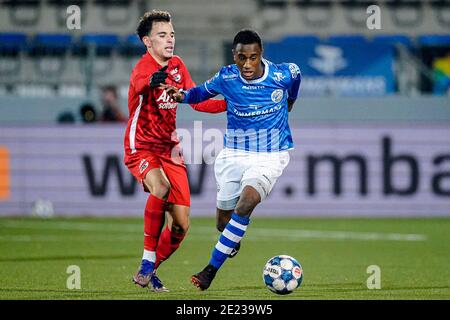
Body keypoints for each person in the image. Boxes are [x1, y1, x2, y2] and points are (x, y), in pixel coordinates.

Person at [165, 29, 301, 290]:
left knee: (246, 202)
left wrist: (290, 102)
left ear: (261, 54)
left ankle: (210, 271)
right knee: (222, 223)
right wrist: (182, 95)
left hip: (270, 155)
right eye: (241, 58)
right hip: (233, 154)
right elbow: (201, 93)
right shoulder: (226, 76)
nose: (247, 64)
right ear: (234, 56)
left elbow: (295, 84)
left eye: (253, 57)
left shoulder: (285, 73)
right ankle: (230, 238)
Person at [123, 10, 226, 292]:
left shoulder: (178, 65)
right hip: (141, 146)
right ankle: (146, 261)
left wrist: (230, 103)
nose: (169, 40)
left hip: (170, 149)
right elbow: (139, 85)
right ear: (147, 41)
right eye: (162, 35)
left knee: (181, 225)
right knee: (161, 187)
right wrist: (151, 83)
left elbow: (195, 100)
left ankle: (151, 270)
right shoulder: (144, 67)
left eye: (172, 34)